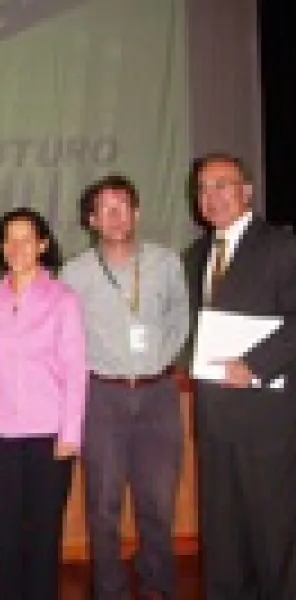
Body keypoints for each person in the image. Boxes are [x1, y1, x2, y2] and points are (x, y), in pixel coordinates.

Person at [61, 175, 189, 600]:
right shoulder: (75, 273)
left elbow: (179, 319)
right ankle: (109, 589)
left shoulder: (166, 263)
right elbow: (67, 336)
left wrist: (156, 362)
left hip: (158, 394)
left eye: (123, 206)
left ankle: (158, 585)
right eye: (106, 208)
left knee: (159, 503)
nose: (116, 216)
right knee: (103, 505)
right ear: (92, 220)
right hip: (102, 395)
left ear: (137, 213)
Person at [186, 153, 296, 598]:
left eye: (222, 185)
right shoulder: (195, 256)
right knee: (223, 545)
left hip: (266, 423)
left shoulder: (281, 246)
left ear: (246, 191)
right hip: (214, 422)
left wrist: (254, 365)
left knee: (272, 542)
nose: (211, 196)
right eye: (203, 188)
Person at [0, 208, 87, 600]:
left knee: (43, 537)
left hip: (49, 435)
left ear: (42, 245)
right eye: (10, 239)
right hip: (0, 435)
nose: (17, 247)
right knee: (4, 534)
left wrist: (70, 434)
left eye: (26, 239)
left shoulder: (63, 300)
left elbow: (76, 370)